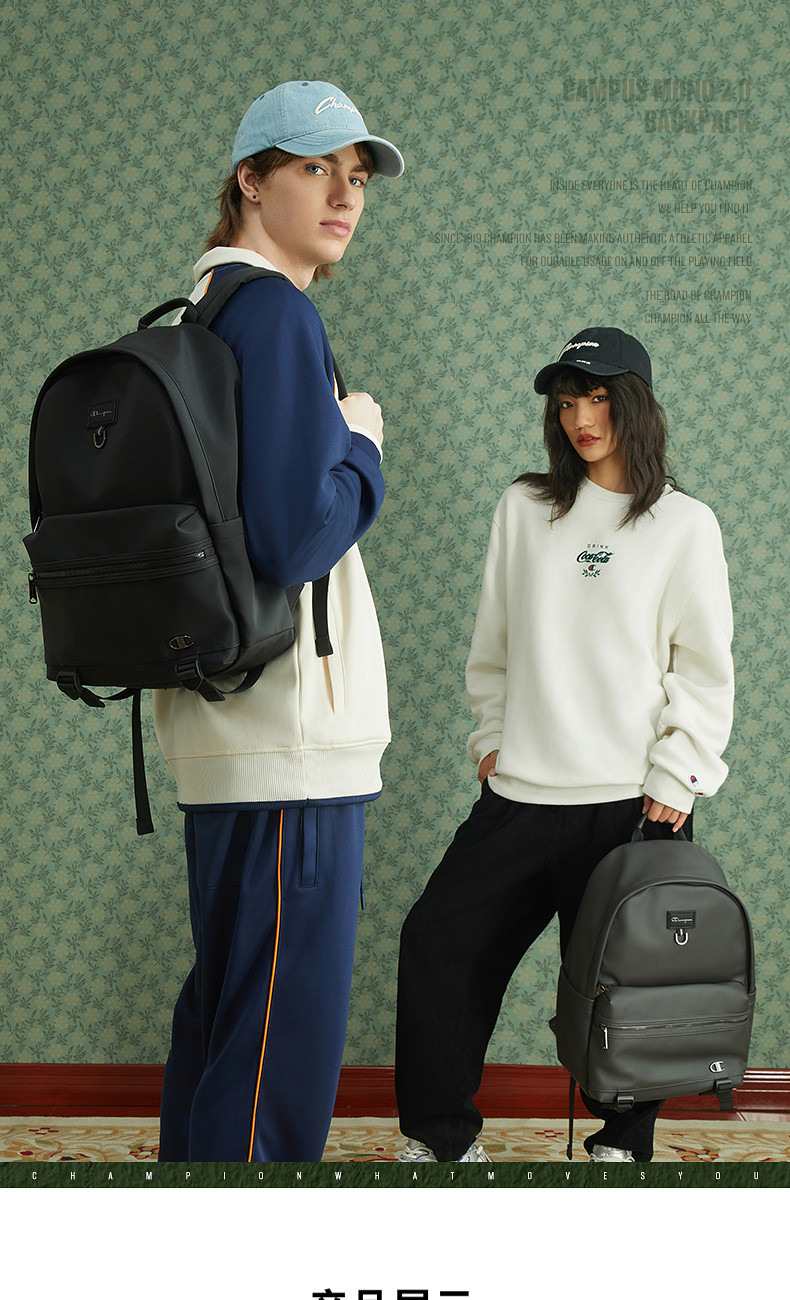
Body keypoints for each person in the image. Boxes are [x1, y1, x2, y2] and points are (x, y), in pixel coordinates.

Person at [395, 327, 734, 1163]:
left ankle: (623, 1144)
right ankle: (441, 1144)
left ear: (636, 405)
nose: (582, 418)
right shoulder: (525, 508)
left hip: (631, 802)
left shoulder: (684, 525)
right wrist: (491, 738)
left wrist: (680, 774)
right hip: (521, 794)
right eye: (568, 402)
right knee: (438, 943)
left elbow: (703, 665)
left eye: (599, 399)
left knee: (629, 985)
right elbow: (495, 645)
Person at [154, 81, 404, 1162]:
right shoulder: (278, 315)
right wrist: (363, 444)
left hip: (228, 727)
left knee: (226, 1016)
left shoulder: (203, 309)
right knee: (275, 1048)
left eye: (356, 176)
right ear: (250, 180)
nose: (344, 195)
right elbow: (296, 540)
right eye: (314, 169)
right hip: (291, 742)